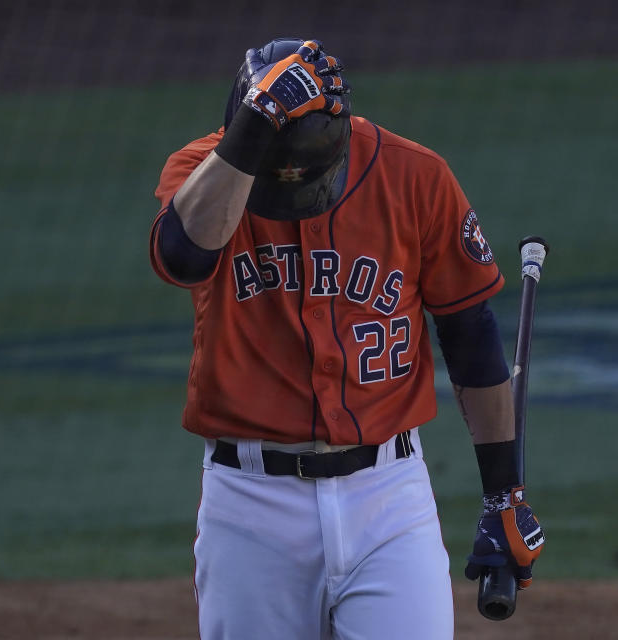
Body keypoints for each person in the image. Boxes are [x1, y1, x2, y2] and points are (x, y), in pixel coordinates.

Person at [149, 37, 544, 640]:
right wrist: (253, 131)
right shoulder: (200, 171)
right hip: (250, 505)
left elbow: (470, 334)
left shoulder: (415, 177)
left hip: (388, 499)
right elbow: (182, 257)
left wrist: (503, 493)